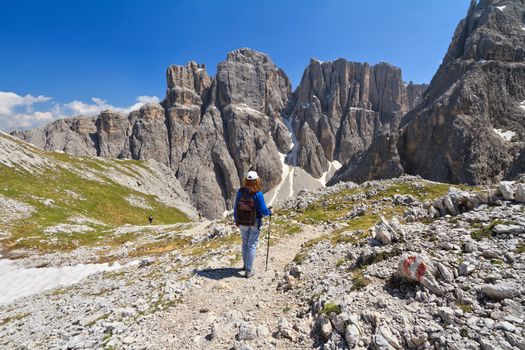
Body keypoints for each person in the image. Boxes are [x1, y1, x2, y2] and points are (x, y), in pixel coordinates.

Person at [233, 171, 271, 278]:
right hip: (254, 221)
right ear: (256, 181)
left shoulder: (240, 192)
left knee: (245, 243)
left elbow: (236, 207)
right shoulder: (258, 194)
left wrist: (236, 219)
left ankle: (245, 266)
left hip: (242, 222)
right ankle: (249, 271)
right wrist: (269, 212)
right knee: (252, 244)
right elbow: (263, 210)